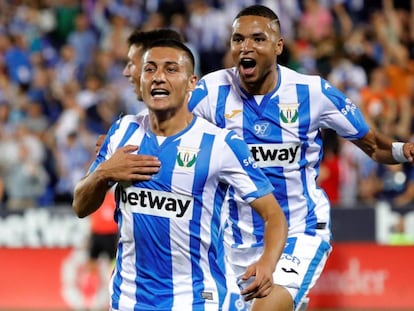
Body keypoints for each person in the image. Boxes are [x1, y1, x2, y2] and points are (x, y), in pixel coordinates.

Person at [186, 5, 414, 311]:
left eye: (257, 39)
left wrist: (404, 150)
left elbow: (372, 145)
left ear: (278, 46)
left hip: (299, 229)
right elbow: (168, 132)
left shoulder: (313, 93)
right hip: (234, 242)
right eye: (238, 39)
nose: (245, 47)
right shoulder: (211, 92)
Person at [73, 39, 288, 311]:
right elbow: (80, 206)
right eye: (149, 69)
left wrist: (268, 263)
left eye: (171, 69)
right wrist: (104, 173)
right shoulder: (122, 132)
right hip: (128, 300)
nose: (158, 77)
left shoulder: (221, 144)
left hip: (198, 301)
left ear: (191, 83)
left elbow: (274, 215)